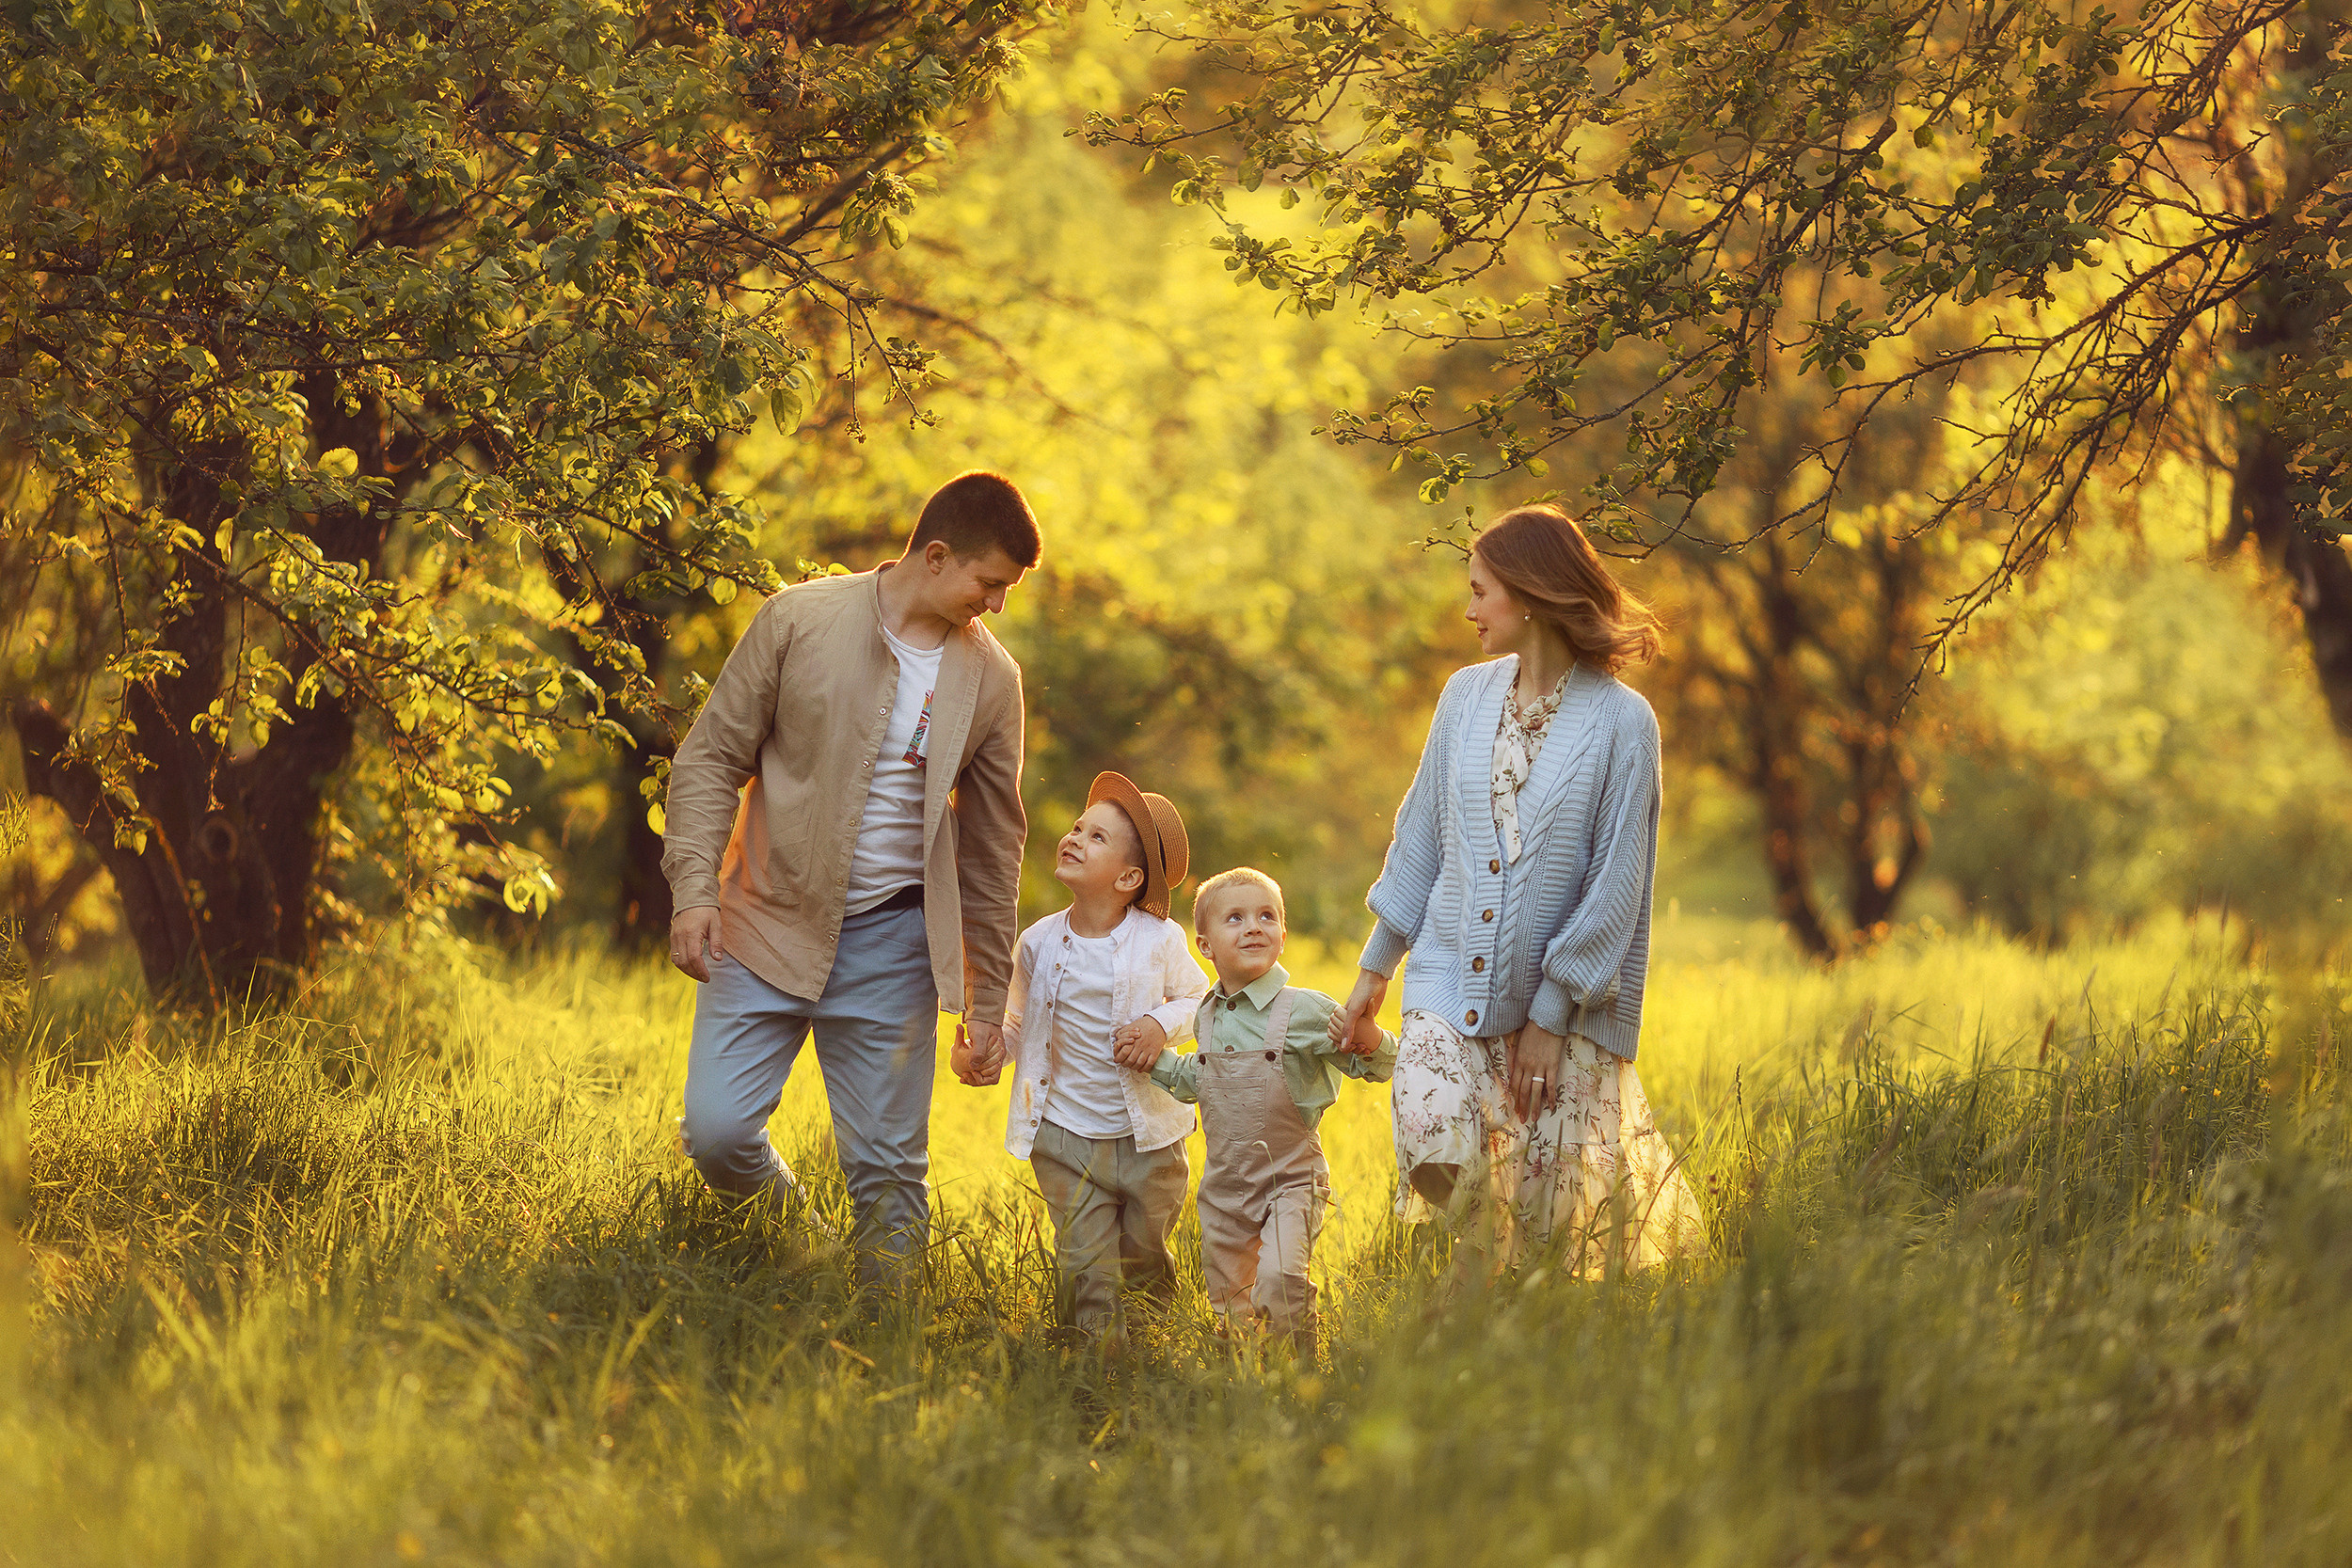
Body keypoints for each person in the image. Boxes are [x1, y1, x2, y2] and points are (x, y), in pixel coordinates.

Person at [661, 470, 1037, 1283]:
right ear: (936, 556)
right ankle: (810, 1248)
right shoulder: (798, 618)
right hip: (763, 921)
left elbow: (995, 846)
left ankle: (885, 1342)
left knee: (890, 1176)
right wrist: (694, 890)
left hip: (894, 945)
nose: (997, 604)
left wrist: (985, 998)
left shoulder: (993, 681)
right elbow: (711, 758)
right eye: (991, 583)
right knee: (718, 1134)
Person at [1329, 503, 1702, 1274]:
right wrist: (1376, 968)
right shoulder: (1463, 697)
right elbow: (1421, 836)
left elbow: (1616, 886)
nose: (1467, 609)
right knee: (1438, 1141)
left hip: (1556, 1014)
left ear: (1528, 594)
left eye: (1479, 591)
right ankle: (1465, 1281)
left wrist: (1550, 1013)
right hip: (1443, 982)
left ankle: (1492, 1336)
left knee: (1549, 1231)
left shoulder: (1624, 724)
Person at [1119, 866, 1396, 1356]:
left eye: (1266, 916)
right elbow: (1198, 1081)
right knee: (1230, 1301)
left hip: (1290, 1179)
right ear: (1204, 946)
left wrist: (1369, 1036)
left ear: (1282, 937)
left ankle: (1298, 1372)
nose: (1253, 926)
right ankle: (1245, 1387)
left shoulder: (1304, 1010)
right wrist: (1156, 1061)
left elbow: (1380, 1064)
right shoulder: (1206, 1014)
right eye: (1236, 918)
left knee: (1281, 1277)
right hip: (1225, 1188)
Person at [993, 772, 1209, 1339]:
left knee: (1145, 1256)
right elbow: (1019, 1022)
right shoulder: (1037, 942)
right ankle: (1092, 1356)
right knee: (1085, 1260)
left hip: (1149, 1140)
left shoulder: (1159, 939)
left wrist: (1158, 1025)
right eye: (1076, 828)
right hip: (1064, 1132)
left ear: (1129, 877)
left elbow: (1200, 998)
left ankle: (1150, 1342)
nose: (1074, 838)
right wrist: (993, 1049)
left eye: (1096, 838)